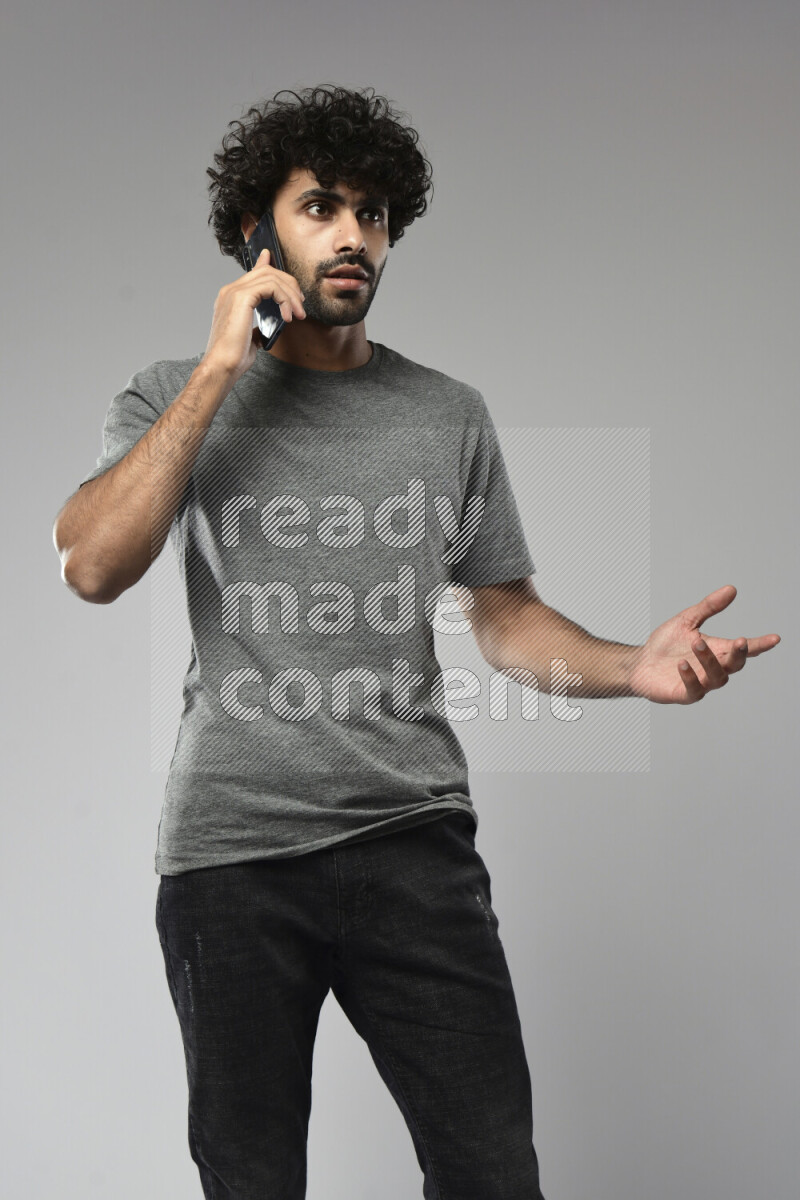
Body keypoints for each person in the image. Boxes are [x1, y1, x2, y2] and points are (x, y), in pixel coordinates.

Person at [52, 84, 780, 1200]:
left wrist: (632, 668)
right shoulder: (167, 395)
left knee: (492, 1174)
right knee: (249, 1181)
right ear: (254, 231)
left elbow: (507, 622)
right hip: (232, 856)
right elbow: (93, 566)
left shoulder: (447, 414)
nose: (353, 234)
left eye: (375, 213)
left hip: (412, 845)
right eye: (321, 207)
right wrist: (217, 371)